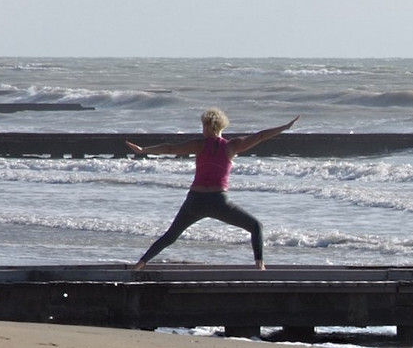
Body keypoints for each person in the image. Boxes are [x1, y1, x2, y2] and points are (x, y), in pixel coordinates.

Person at [126, 109, 298, 269]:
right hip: (218, 202)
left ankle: (139, 265)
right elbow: (260, 136)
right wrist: (284, 127)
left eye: (203, 125)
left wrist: (143, 150)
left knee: (170, 236)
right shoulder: (232, 146)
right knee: (256, 226)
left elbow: (170, 148)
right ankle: (260, 267)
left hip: (195, 201)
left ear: (209, 126)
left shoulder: (199, 144)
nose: (202, 129)